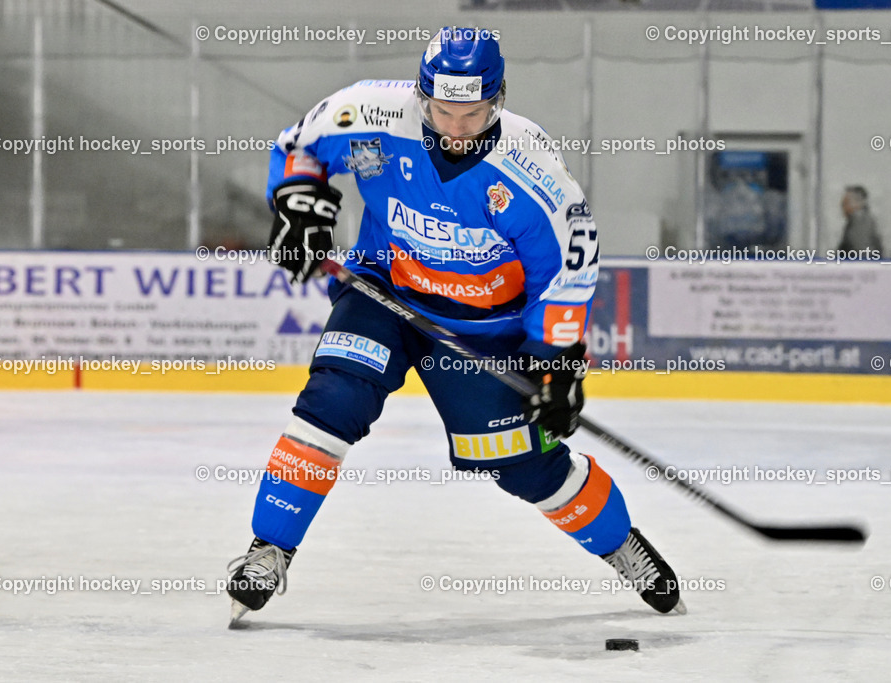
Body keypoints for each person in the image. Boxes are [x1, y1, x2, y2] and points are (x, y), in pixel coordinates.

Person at [225, 26, 685, 624]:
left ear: (498, 99)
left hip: (482, 330)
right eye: (443, 111)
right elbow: (300, 145)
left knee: (527, 467)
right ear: (423, 95)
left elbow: (567, 275)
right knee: (331, 401)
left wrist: (556, 362)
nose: (456, 127)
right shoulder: (369, 112)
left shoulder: (535, 172)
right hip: (383, 293)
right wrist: (299, 204)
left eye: (473, 113)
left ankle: (622, 545)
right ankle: (268, 549)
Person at [837, 185, 883, 257]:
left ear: (858, 203)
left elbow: (860, 252)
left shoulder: (860, 222)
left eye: (846, 202)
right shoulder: (859, 220)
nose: (843, 206)